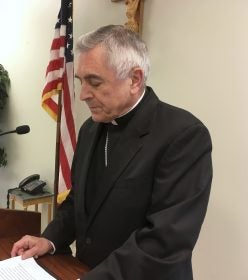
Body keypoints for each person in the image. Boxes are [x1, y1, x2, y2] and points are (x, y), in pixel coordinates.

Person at [11, 25, 212, 279]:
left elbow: (164, 241)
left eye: (94, 82)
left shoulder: (183, 135)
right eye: (81, 81)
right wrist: (49, 240)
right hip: (84, 270)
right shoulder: (89, 129)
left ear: (134, 79)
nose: (83, 95)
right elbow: (78, 201)